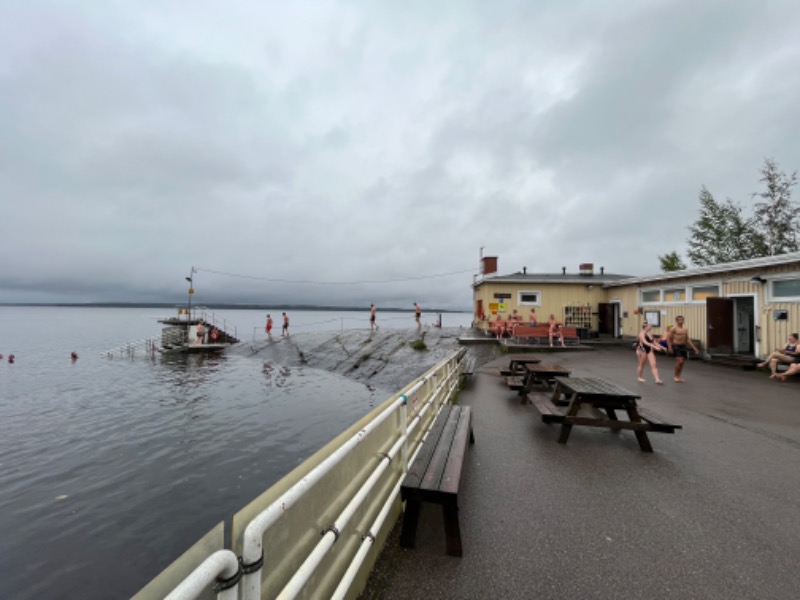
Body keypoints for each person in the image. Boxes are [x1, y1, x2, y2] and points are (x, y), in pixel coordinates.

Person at [666, 315, 699, 382]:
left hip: (683, 346)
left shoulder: (685, 329)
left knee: (682, 363)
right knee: (679, 361)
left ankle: (679, 376)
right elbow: (668, 338)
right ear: (677, 321)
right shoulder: (674, 329)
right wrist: (669, 347)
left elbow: (687, 339)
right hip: (676, 346)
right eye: (679, 320)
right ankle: (675, 376)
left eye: (682, 320)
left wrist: (694, 348)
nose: (681, 321)